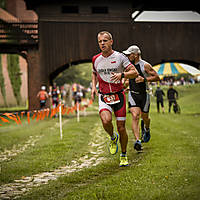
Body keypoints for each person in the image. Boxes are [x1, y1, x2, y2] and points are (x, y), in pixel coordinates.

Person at [91, 31, 139, 167]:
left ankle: (123, 155)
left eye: (105, 41)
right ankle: (113, 137)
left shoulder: (120, 57)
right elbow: (94, 73)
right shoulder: (95, 59)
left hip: (119, 95)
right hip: (104, 96)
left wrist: (122, 75)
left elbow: (134, 72)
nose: (102, 43)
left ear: (111, 41)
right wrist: (94, 87)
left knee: (121, 128)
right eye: (100, 41)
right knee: (106, 121)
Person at [123, 45, 160, 151]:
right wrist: (126, 85)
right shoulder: (128, 66)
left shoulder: (145, 65)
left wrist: (144, 80)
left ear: (135, 55)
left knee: (145, 118)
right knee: (135, 116)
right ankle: (138, 141)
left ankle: (147, 129)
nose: (127, 56)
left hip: (144, 94)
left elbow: (157, 77)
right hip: (133, 94)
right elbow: (127, 80)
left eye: (129, 54)